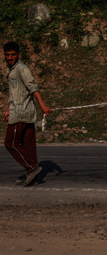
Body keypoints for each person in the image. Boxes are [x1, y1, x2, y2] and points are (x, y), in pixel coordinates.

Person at [2, 41, 52, 186]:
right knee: (29, 146)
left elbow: (33, 88)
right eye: (7, 55)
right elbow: (15, 93)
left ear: (18, 55)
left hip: (21, 113)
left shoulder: (22, 69)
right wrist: (8, 109)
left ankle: (32, 167)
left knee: (10, 143)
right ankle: (33, 177)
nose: (10, 57)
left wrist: (43, 106)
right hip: (23, 112)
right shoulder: (12, 70)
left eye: (13, 55)